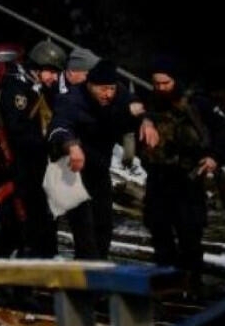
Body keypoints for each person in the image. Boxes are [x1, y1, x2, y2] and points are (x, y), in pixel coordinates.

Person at [47, 59, 160, 259]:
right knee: (85, 235)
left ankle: (99, 277)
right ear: (90, 84)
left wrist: (146, 121)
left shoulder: (118, 94)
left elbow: (139, 105)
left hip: (99, 170)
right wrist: (71, 145)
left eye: (111, 89)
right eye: (103, 89)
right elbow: (58, 127)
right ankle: (85, 284)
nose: (107, 94)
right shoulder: (72, 99)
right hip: (73, 173)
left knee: (103, 228)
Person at [140, 56, 225, 285]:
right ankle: (167, 282)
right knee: (159, 230)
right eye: (157, 83)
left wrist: (215, 156)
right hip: (159, 175)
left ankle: (192, 282)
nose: (161, 88)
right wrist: (144, 121)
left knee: (189, 232)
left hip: (188, 176)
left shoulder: (197, 103)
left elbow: (223, 128)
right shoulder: (151, 101)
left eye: (166, 83)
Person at [0, 39, 66, 258]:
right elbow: (17, 129)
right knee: (17, 222)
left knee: (38, 218)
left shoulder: (39, 88)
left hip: (36, 164)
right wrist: (44, 143)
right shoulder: (17, 87)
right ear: (38, 67)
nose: (54, 78)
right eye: (51, 72)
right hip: (18, 164)